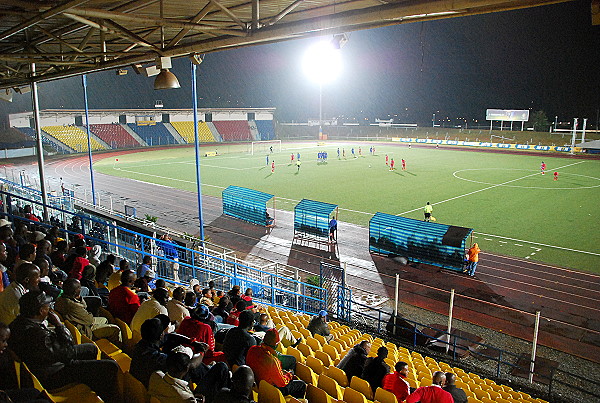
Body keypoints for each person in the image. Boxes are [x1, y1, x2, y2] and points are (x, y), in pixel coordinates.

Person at [9, 290, 119, 402]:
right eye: (48, 306)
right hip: (54, 374)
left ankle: (91, 382)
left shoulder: (16, 324)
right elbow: (68, 353)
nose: (50, 310)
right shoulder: (38, 334)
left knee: (91, 348)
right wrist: (59, 325)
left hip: (46, 364)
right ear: (41, 311)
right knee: (111, 366)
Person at [54, 278, 121, 344]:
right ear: (75, 291)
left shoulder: (61, 299)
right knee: (116, 329)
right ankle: (116, 346)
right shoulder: (72, 305)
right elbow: (89, 320)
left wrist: (79, 298)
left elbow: (84, 308)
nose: (81, 289)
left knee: (104, 320)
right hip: (85, 330)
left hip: (79, 322)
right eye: (79, 288)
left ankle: (104, 341)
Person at [246, 328, 306, 399]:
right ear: (276, 345)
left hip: (256, 383)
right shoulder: (273, 361)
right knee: (301, 385)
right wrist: (290, 374)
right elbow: (283, 382)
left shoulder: (252, 349)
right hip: (270, 389)